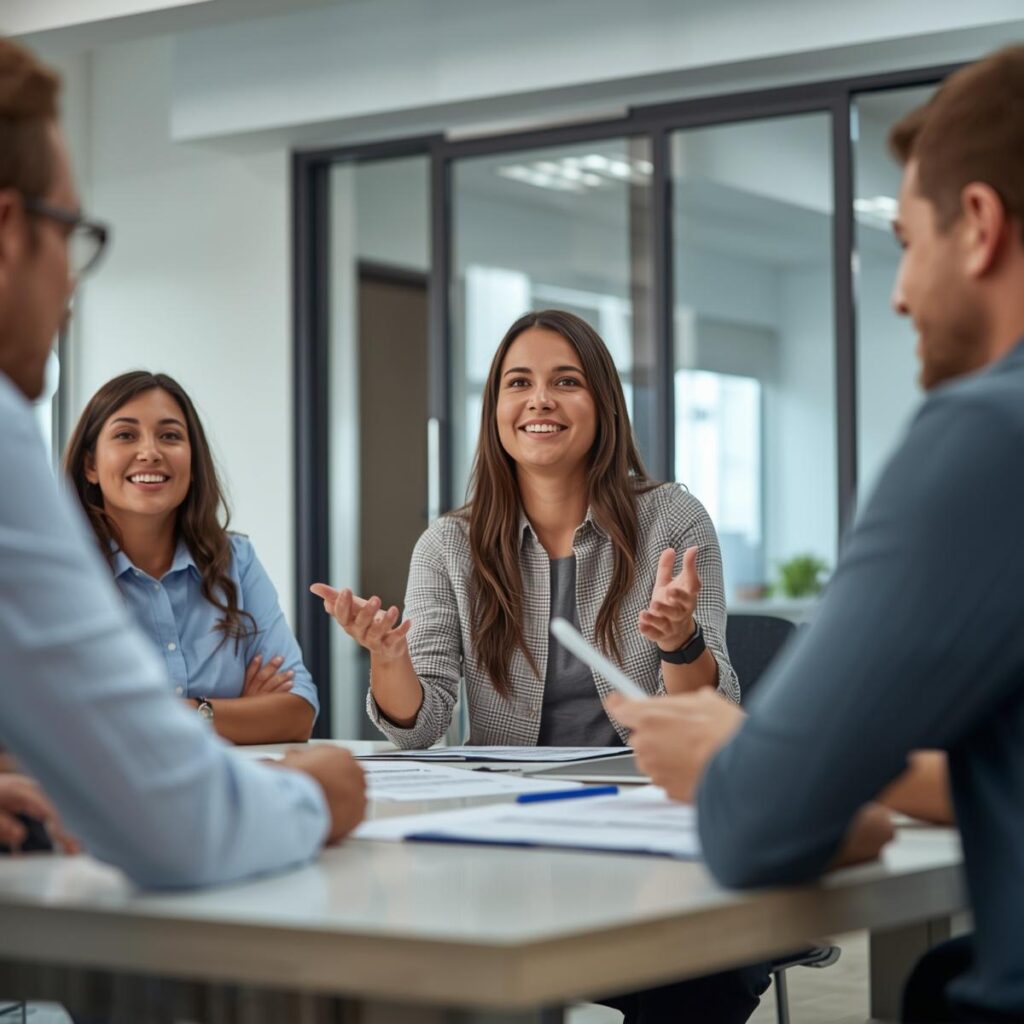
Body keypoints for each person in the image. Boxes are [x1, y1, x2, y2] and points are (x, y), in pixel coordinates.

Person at [608, 44, 1024, 1023]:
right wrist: (826, 766)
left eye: (905, 243)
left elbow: (756, 823)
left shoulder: (987, 437)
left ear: (977, 226)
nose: (899, 293)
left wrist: (741, 753)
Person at [314, 309, 768, 1022]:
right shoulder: (449, 544)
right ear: (495, 407)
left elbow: (709, 716)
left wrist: (679, 640)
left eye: (566, 382)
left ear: (604, 404)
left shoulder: (672, 520)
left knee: (700, 967)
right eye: (519, 383)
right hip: (511, 827)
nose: (540, 401)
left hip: (646, 817)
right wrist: (389, 660)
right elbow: (420, 726)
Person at [0, 37, 365, 887]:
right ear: (11, 231)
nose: (73, 287)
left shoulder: (233, 560)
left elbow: (295, 703)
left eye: (170, 435)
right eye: (71, 236)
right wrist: (320, 792)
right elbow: (173, 822)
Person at [64, 371, 318, 744]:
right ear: (90, 465)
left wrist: (191, 712)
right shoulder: (59, 573)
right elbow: (64, 723)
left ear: (193, 463)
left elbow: (297, 713)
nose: (150, 452)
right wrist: (234, 714)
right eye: (126, 435)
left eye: (170, 436)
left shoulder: (236, 560)